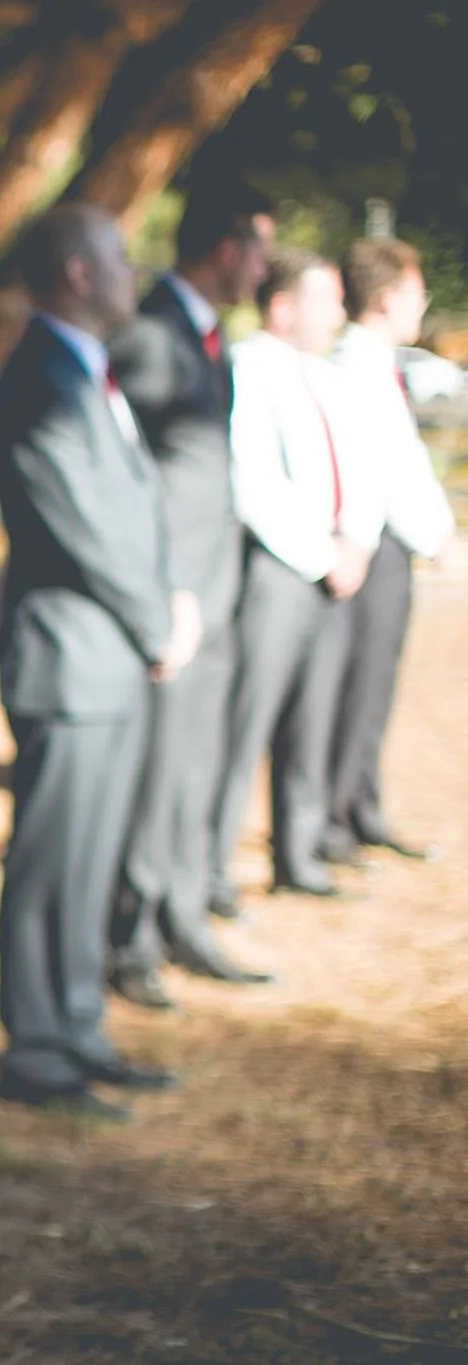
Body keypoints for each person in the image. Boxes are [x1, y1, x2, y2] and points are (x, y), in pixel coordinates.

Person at [0, 203, 192, 1120]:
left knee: (91, 856)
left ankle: (77, 1026)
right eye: (116, 255)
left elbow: (134, 508)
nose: (130, 268)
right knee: (50, 861)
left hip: (107, 657)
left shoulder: (82, 367)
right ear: (76, 271)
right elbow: (85, 526)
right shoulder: (39, 376)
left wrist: (168, 602)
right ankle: (35, 1049)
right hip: (67, 659)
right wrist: (158, 622)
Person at [107, 186, 274, 1010]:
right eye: (261, 250)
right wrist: (165, 591)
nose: (266, 269)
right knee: (159, 775)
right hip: (176, 597)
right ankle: (130, 937)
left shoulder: (210, 337)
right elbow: (132, 476)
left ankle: (181, 915)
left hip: (218, 588)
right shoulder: (151, 335)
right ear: (226, 248)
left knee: (196, 767)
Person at [208, 246, 385, 906]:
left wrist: (358, 543)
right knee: (246, 726)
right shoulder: (248, 367)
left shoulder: (325, 376)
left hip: (336, 572)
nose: (339, 313)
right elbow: (252, 479)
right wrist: (322, 554)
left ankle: (299, 852)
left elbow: (361, 468)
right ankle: (211, 868)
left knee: (315, 721)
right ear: (282, 308)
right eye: (326, 300)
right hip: (280, 572)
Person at [320, 237, 457, 866]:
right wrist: (437, 537)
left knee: (375, 685)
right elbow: (382, 470)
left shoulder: (377, 362)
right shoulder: (354, 365)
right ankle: (337, 817)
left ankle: (360, 806)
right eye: (414, 291)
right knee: (360, 685)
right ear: (384, 297)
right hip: (370, 548)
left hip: (388, 546)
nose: (422, 303)